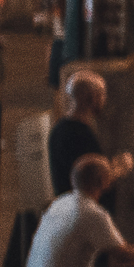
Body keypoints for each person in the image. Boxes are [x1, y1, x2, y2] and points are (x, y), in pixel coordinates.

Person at [48, 71, 108, 199]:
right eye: (102, 94)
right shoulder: (80, 135)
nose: (104, 99)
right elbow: (90, 182)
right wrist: (119, 169)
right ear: (92, 97)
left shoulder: (58, 129)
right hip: (83, 206)